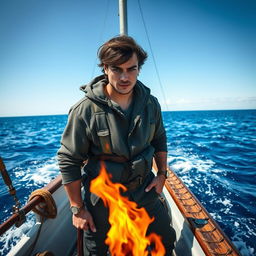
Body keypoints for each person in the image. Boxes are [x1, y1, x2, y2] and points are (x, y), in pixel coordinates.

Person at [57, 35, 176, 255]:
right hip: (103, 197)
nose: (124, 77)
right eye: (116, 69)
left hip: (144, 190)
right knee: (98, 251)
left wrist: (162, 175)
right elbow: (68, 159)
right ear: (105, 68)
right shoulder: (84, 110)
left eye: (131, 69)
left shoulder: (151, 104)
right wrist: (77, 208)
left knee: (165, 242)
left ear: (139, 69)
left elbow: (159, 138)